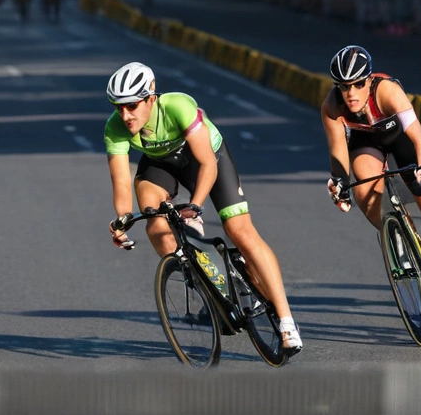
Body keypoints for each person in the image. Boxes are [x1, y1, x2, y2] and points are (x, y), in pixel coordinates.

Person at [103, 62, 302, 353]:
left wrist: (195, 206)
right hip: (160, 165)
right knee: (154, 221)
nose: (125, 114)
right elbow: (121, 182)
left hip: (206, 159)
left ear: (151, 97)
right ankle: (204, 285)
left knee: (240, 231)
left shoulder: (178, 106)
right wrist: (122, 220)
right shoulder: (115, 127)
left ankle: (286, 321)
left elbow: (208, 163)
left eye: (132, 105)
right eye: (118, 106)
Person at [320, 45, 421, 311]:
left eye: (357, 84)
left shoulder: (388, 91)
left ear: (368, 80)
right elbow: (338, 154)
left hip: (404, 143)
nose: (351, 93)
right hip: (366, 145)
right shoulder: (332, 106)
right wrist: (339, 183)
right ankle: (399, 238)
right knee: (363, 189)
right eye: (343, 86)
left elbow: (418, 137)